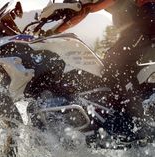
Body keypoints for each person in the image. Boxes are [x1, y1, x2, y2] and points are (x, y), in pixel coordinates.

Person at [40, 0, 155, 142]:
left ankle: (135, 124)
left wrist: (82, 7)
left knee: (115, 63)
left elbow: (88, 7)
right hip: (136, 28)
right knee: (106, 66)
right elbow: (81, 12)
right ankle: (109, 115)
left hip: (148, 21)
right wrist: (51, 33)